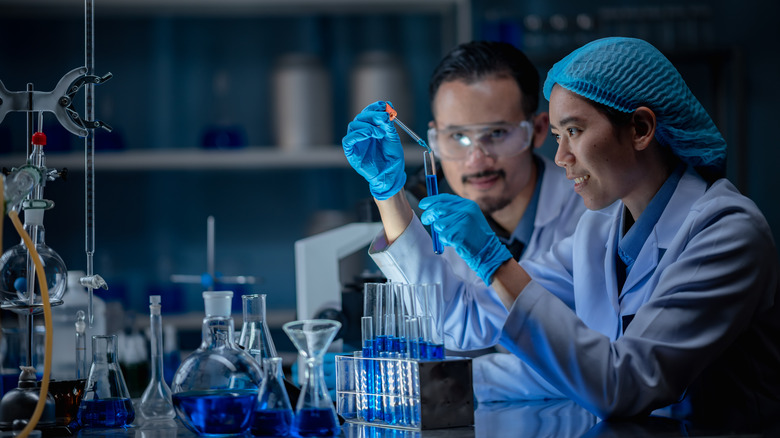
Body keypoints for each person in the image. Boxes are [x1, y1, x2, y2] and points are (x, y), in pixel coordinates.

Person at [345, 36, 780, 428]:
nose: (561, 157)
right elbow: (464, 321)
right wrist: (389, 194)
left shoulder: (726, 232)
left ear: (641, 129)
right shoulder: (600, 230)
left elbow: (623, 385)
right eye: (557, 136)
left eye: (573, 131)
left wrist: (495, 260)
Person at [342, 41, 586, 401]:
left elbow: (584, 361)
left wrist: (443, 379)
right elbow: (446, 329)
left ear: (536, 130)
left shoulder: (588, 216)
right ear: (433, 139)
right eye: (457, 136)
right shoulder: (439, 223)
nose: (476, 160)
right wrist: (387, 193)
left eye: (497, 134)